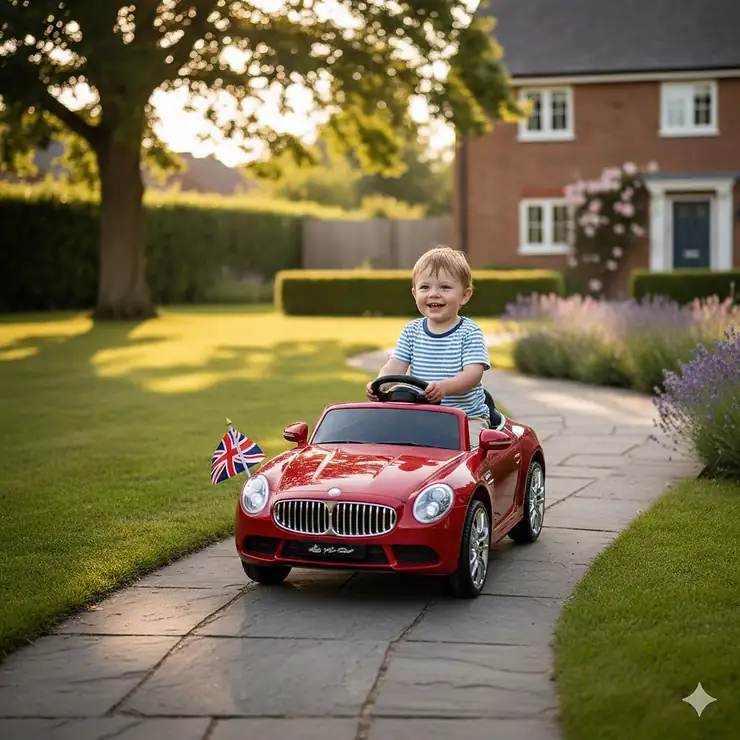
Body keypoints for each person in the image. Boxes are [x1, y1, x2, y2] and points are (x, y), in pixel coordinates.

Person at [365, 246, 491, 448]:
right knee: (381, 441)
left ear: (465, 296)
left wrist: (444, 388)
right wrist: (380, 384)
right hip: (421, 415)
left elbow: (473, 374)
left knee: (468, 451)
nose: (434, 294)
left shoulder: (469, 332)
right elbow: (394, 366)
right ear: (415, 294)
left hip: (465, 418)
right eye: (425, 288)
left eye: (444, 287)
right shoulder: (411, 331)